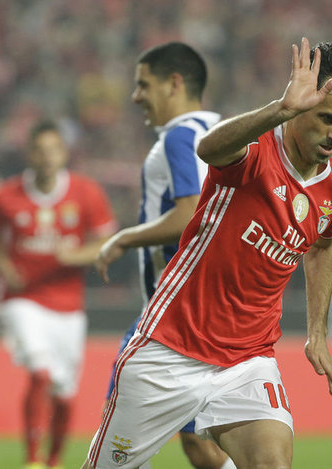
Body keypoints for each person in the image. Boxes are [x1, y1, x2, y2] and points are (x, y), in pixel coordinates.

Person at [82, 37, 332, 469]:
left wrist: (318, 332)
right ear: (299, 109)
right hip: (171, 347)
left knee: (271, 464)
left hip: (248, 360)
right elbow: (209, 149)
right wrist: (280, 108)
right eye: (327, 118)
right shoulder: (255, 152)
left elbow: (323, 245)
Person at [94, 41, 234, 469]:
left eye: (143, 85)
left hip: (171, 316)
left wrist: (124, 238)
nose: (135, 96)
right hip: (210, 310)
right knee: (199, 445)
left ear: (174, 83)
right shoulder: (224, 130)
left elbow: (189, 214)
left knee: (117, 436)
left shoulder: (179, 136)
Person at [0, 120, 117, 469]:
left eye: (53, 150)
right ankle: (33, 460)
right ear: (29, 154)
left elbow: (107, 239)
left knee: (64, 392)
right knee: (40, 371)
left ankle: (54, 460)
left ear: (64, 153)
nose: (47, 157)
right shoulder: (5, 195)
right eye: (40, 150)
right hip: (22, 298)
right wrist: (4, 267)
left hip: (68, 305)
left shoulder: (86, 193)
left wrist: (75, 255)